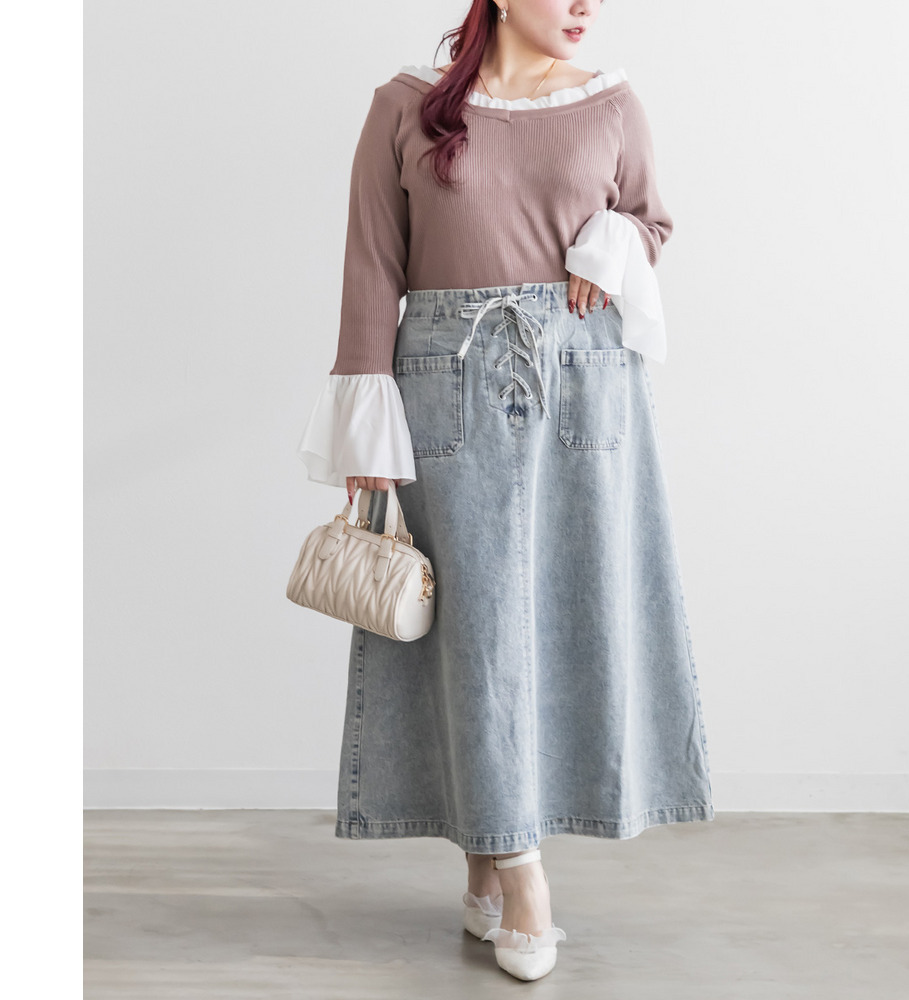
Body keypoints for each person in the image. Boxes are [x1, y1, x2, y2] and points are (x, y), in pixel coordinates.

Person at [295, 0, 714, 982]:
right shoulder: (404, 106)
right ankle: (522, 874)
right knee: (478, 636)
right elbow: (372, 265)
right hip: (448, 385)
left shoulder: (612, 104)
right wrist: (367, 424)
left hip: (587, 385)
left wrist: (611, 244)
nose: (584, 5)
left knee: (572, 617)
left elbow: (651, 222)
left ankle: (489, 856)